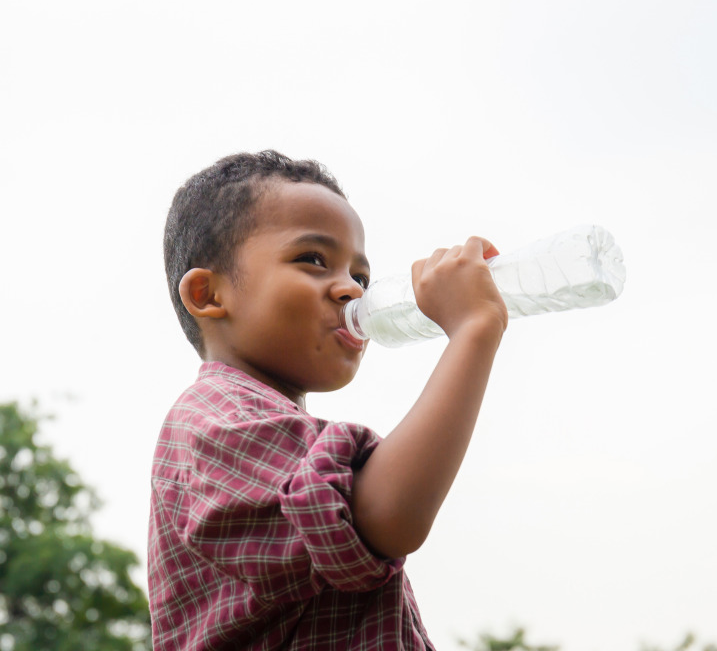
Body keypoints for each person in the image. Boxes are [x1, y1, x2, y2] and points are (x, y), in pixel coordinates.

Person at [150, 150, 508, 649]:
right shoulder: (217, 417)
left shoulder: (271, 426)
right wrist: (473, 330)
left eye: (360, 277)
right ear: (209, 295)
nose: (350, 290)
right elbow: (383, 516)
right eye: (313, 260)